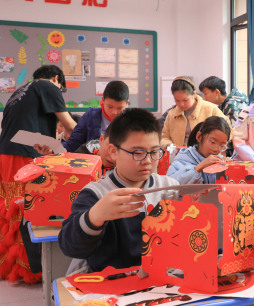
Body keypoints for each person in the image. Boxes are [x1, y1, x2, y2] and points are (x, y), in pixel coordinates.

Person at [58, 108, 179, 272]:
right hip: (109, 280)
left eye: (154, 152)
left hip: (157, 278)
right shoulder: (96, 193)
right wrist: (94, 216)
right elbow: (70, 247)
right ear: (113, 152)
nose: (147, 161)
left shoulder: (170, 189)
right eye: (138, 153)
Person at [0, 65, 75, 283]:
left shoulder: (20, 92)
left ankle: (10, 267)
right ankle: (29, 270)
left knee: (9, 208)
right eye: (61, 88)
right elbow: (70, 126)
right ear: (56, 79)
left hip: (4, 153)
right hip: (23, 155)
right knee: (27, 207)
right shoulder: (48, 86)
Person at [161, 76, 230, 148]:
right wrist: (170, 145)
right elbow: (164, 138)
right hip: (178, 153)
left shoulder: (211, 109)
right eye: (177, 100)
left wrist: (215, 145)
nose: (181, 104)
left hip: (206, 154)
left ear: (194, 94)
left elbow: (228, 131)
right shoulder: (172, 114)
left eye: (185, 100)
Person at [63, 80, 129, 152]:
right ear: (103, 100)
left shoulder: (130, 121)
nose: (114, 112)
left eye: (119, 108)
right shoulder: (90, 117)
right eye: (110, 107)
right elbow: (73, 144)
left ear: (126, 103)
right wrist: (55, 149)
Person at [167, 116, 231, 184]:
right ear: (199, 137)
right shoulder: (183, 158)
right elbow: (170, 185)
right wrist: (199, 167)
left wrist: (228, 168)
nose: (216, 149)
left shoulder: (219, 160)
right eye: (212, 142)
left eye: (222, 145)